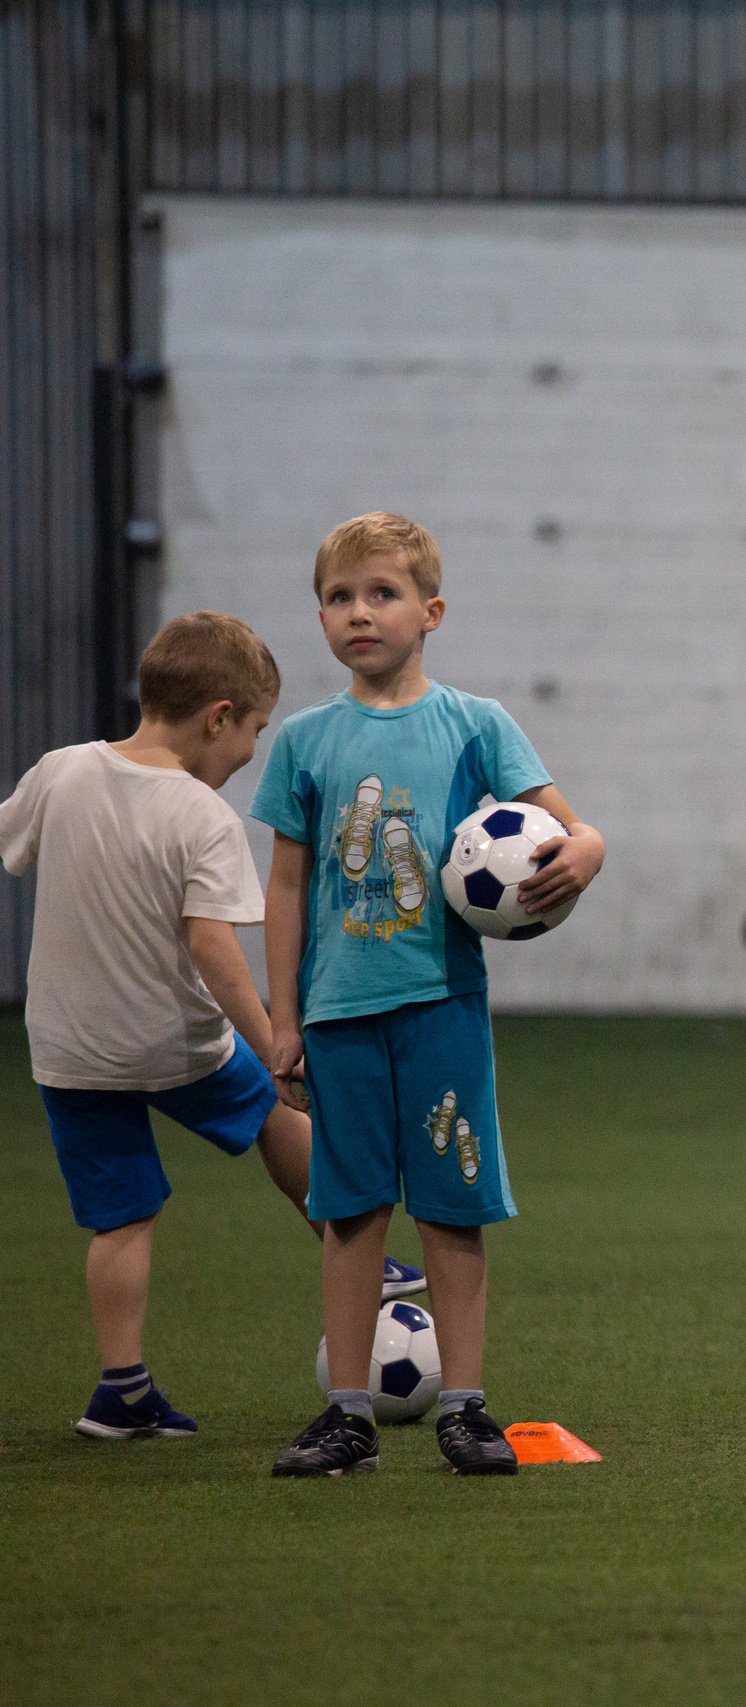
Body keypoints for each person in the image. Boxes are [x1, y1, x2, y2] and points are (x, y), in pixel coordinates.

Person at [256, 512, 605, 1478]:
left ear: (431, 611)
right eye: (339, 597)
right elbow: (285, 886)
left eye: (383, 593)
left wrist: (587, 850)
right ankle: (346, 1415)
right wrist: (282, 1015)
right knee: (350, 1211)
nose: (359, 613)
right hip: (337, 1011)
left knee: (451, 1208)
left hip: (441, 1002)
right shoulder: (304, 740)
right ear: (320, 618)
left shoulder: (476, 724)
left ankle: (465, 1408)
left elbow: (569, 826)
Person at [1, 613, 358, 1440]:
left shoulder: (61, 770)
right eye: (256, 730)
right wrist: (275, 1040)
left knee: (122, 1214)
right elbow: (212, 948)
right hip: (175, 1039)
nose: (252, 750)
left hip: (69, 1048)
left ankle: (121, 1390)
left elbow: (13, 842)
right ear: (218, 717)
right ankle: (362, 1257)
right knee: (275, 1111)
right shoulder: (203, 815)